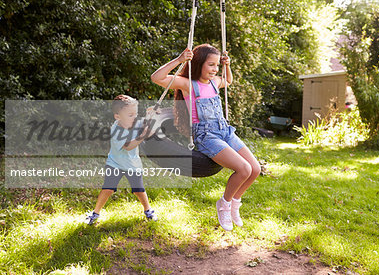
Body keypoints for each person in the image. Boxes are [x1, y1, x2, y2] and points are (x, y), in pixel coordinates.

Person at [151, 44, 261, 231]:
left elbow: (228, 80)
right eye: (211, 65)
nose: (215, 70)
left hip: (224, 130)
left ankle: (235, 202)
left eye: (217, 65)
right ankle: (223, 204)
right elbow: (157, 78)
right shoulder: (188, 85)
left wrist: (227, 66)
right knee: (243, 169)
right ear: (199, 63)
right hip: (206, 135)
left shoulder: (214, 82)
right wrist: (179, 60)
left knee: (255, 169)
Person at [84, 95, 158, 225]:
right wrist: (143, 135)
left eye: (135, 114)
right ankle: (95, 213)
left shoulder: (133, 121)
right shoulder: (116, 130)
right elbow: (128, 146)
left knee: (139, 190)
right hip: (115, 165)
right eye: (130, 115)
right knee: (108, 189)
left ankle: (148, 210)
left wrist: (150, 115)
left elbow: (145, 123)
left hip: (133, 165)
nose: (134, 117)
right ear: (117, 116)